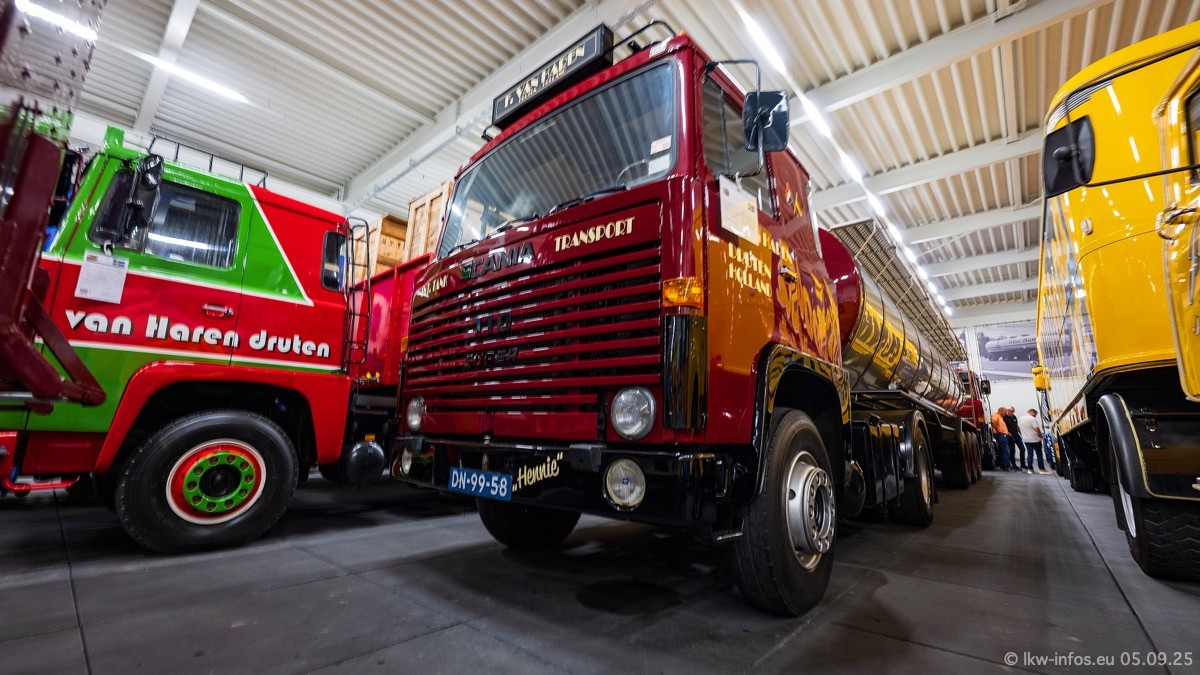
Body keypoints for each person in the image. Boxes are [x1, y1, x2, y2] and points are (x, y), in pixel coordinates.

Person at [1018, 408, 1048, 474]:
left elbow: (1018, 428)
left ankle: (1030, 469)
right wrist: (1041, 436)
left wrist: (1022, 434)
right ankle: (1041, 469)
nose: (1035, 416)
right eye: (1035, 414)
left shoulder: (1020, 419)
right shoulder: (1033, 419)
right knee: (1039, 454)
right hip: (1035, 439)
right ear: (1032, 412)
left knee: (1030, 454)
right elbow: (1037, 429)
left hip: (1026, 440)